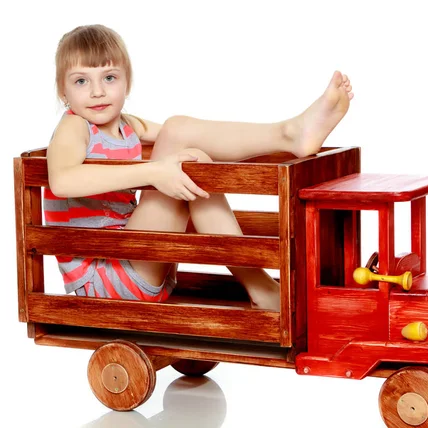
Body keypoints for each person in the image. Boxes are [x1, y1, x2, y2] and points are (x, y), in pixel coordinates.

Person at [44, 24, 354, 311]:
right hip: (106, 278)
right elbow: (62, 181)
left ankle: (288, 134)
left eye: (109, 78)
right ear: (63, 91)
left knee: (188, 150)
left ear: (127, 83)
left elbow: (181, 134)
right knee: (181, 142)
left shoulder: (125, 125)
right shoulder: (74, 127)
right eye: (81, 81)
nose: (97, 91)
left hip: (146, 263)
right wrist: (153, 172)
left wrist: (167, 166)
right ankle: (288, 136)